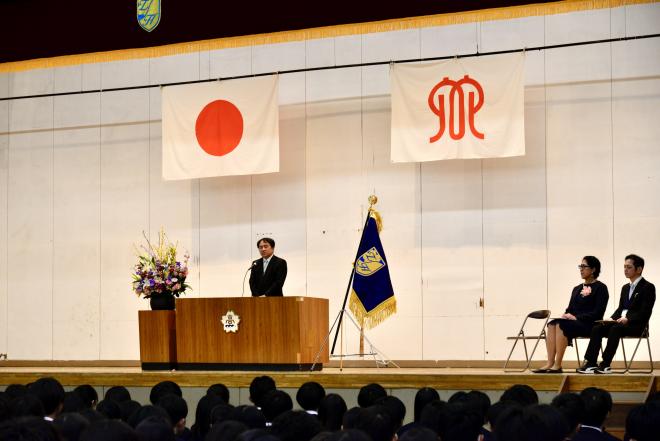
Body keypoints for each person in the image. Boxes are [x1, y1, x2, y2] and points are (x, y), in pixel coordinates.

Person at [578, 254, 656, 374]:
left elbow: (645, 312)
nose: (625, 269)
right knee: (598, 328)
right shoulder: (625, 288)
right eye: (624, 267)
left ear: (639, 269)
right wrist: (611, 318)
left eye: (629, 267)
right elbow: (620, 309)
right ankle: (591, 363)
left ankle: (605, 364)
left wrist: (628, 319)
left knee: (615, 329)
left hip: (637, 325)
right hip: (621, 323)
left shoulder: (648, 287)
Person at [534, 256, 609, 373]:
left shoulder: (601, 288)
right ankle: (550, 362)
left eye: (584, 266)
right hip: (574, 323)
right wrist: (566, 315)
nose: (581, 269)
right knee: (552, 324)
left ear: (593, 269)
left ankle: (557, 365)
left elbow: (598, 312)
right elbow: (570, 308)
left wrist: (576, 317)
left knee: (561, 325)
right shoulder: (577, 288)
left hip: (590, 324)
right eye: (580, 266)